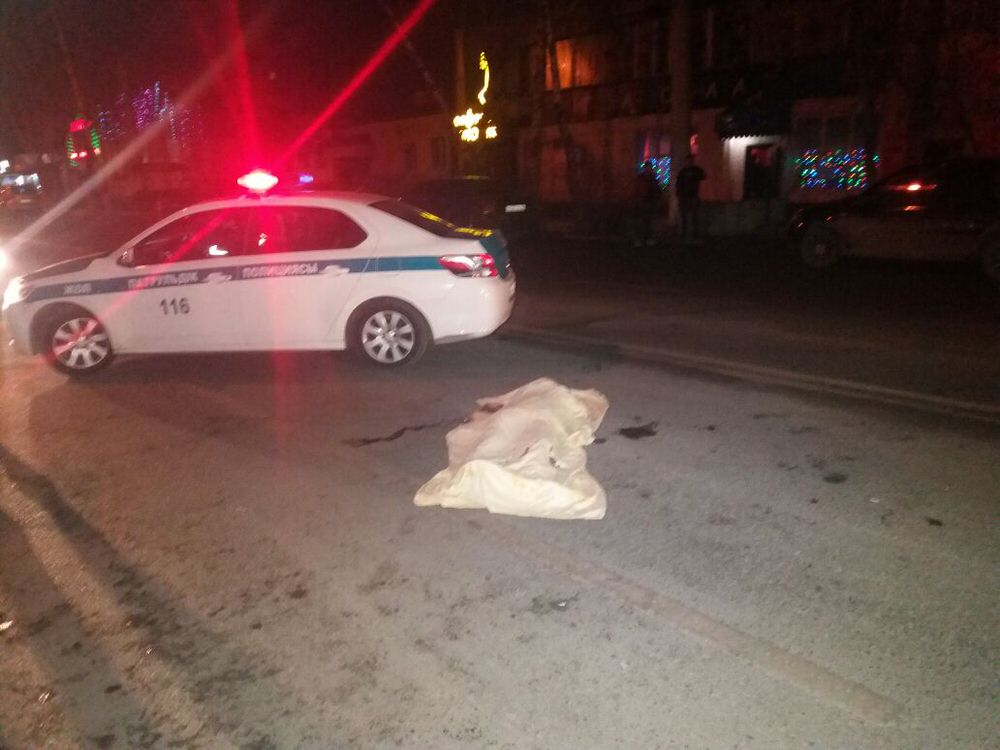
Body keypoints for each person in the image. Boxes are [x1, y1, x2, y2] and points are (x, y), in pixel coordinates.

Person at [675, 154, 706, 241]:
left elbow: (703, 176)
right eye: (687, 161)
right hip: (684, 197)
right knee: (685, 217)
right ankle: (685, 234)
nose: (688, 162)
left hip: (693, 196)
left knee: (694, 217)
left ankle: (694, 235)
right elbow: (678, 184)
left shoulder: (695, 170)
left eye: (690, 161)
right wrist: (678, 194)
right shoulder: (683, 172)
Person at [633, 161, 662, 247]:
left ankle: (649, 238)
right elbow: (637, 189)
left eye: (649, 168)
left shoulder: (653, 178)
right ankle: (641, 239)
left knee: (650, 221)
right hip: (643, 201)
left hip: (651, 201)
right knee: (643, 221)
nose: (648, 169)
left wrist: (657, 199)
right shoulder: (641, 178)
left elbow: (657, 190)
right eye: (647, 167)